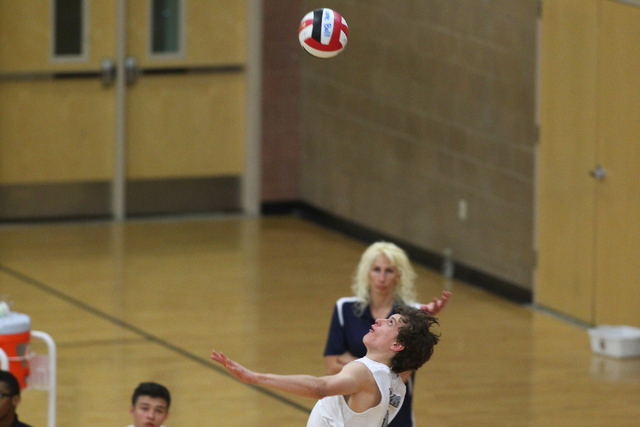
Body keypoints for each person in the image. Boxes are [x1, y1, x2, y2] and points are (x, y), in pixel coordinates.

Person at [211, 305, 440, 427]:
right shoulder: (397, 384)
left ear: (398, 345)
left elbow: (320, 388)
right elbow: (414, 357)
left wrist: (255, 377)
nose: (379, 321)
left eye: (390, 323)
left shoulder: (364, 372)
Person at [324, 241, 451, 427]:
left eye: (389, 271)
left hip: (395, 414)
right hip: (351, 413)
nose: (382, 278)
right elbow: (331, 367)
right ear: (367, 273)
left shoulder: (411, 315)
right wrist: (383, 367)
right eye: (376, 269)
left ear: (399, 276)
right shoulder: (344, 308)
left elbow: (402, 374)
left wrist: (352, 364)